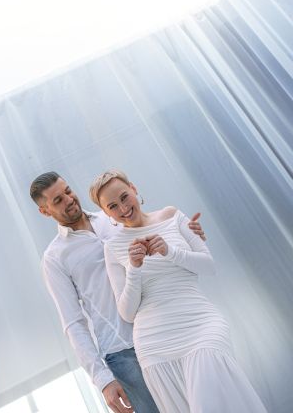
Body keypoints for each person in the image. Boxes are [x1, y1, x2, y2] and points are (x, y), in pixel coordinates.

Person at [89, 169, 268, 413]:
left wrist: (170, 252)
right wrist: (134, 268)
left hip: (200, 323)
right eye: (112, 206)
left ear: (133, 188)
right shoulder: (113, 247)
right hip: (154, 342)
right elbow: (127, 313)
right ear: (106, 213)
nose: (122, 208)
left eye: (124, 197)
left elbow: (209, 265)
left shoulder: (171, 215)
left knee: (211, 397)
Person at [30, 171, 206, 413]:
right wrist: (103, 380)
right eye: (58, 200)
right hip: (123, 351)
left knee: (202, 403)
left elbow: (159, 236)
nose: (69, 200)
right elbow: (73, 323)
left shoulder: (114, 215)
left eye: (68, 191)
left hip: (165, 326)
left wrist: (190, 237)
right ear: (45, 211)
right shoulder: (54, 258)